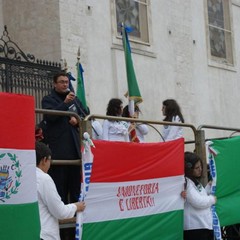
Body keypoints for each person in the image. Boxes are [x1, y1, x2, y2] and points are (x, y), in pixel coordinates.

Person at [41, 72, 89, 204]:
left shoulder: (75, 99)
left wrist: (77, 121)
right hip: (59, 149)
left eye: (66, 82)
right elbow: (51, 117)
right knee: (60, 187)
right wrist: (65, 103)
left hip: (74, 148)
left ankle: (76, 218)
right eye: (61, 82)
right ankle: (61, 218)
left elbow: (85, 116)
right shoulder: (48, 99)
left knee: (75, 187)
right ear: (55, 84)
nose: (65, 84)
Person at [36, 141, 85, 240]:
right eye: (50, 160)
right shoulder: (44, 179)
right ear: (44, 160)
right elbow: (60, 211)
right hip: (45, 235)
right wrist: (76, 206)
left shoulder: (24, 177)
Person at [181, 152, 216, 240]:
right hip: (195, 228)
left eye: (200, 166)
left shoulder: (193, 182)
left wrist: (209, 187)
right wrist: (212, 199)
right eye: (197, 168)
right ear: (189, 169)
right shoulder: (186, 182)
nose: (200, 169)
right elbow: (198, 201)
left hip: (202, 226)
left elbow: (201, 195)